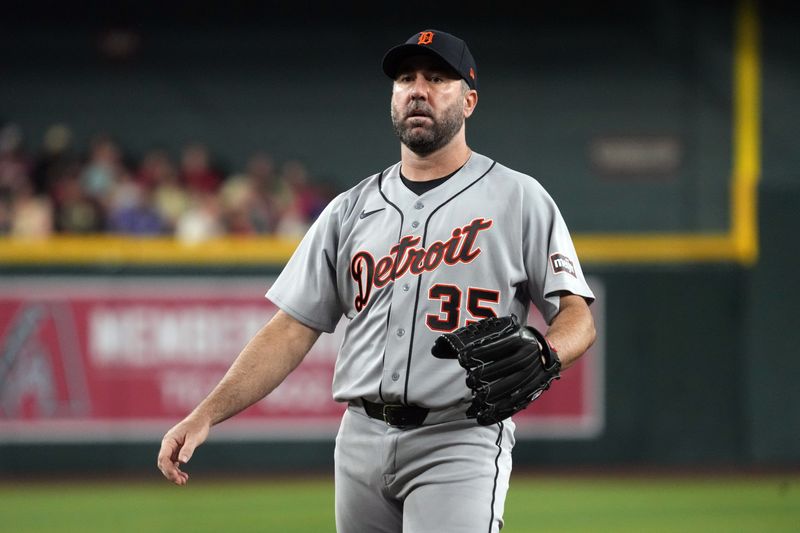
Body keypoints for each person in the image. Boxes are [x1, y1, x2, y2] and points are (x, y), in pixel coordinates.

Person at [157, 29, 596, 533]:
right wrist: (204, 414)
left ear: (470, 100)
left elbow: (577, 315)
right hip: (360, 439)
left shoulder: (520, 198)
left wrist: (547, 353)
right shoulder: (350, 209)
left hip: (459, 437)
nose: (418, 89)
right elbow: (289, 330)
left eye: (437, 78)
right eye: (406, 78)